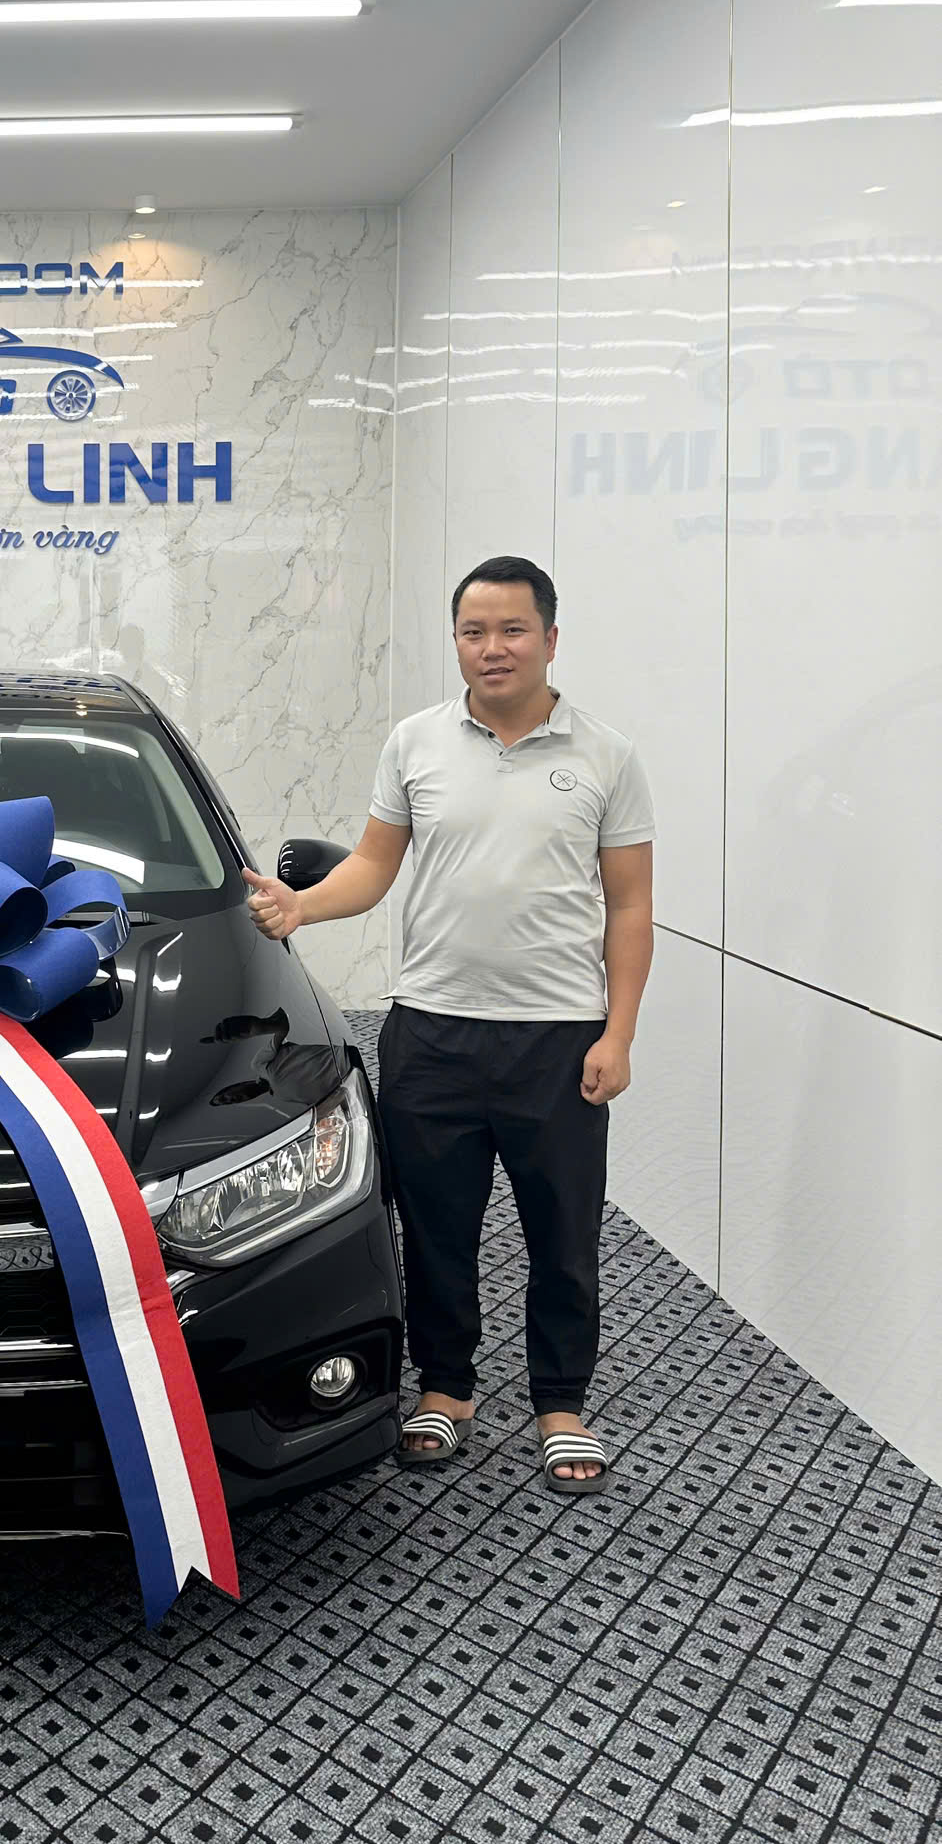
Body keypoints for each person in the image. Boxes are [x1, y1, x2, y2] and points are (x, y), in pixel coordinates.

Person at [242, 556, 653, 1496]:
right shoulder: (416, 742)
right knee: (436, 1229)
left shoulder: (606, 755)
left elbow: (631, 906)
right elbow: (374, 866)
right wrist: (304, 905)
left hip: (558, 1037)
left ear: (550, 638)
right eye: (474, 632)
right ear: (457, 642)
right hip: (431, 1031)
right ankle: (446, 1388)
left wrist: (618, 1033)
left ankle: (561, 1402)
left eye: (512, 630)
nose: (492, 648)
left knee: (564, 1234)